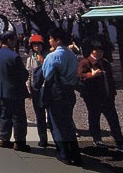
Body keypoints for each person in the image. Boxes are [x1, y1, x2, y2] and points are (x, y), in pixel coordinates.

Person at [78, 42, 123, 154]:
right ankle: (97, 139)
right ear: (91, 50)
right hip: (93, 97)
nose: (99, 53)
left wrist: (113, 93)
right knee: (94, 118)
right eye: (97, 50)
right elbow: (80, 76)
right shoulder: (85, 62)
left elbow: (110, 80)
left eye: (101, 51)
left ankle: (120, 142)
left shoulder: (105, 62)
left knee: (113, 119)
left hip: (107, 96)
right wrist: (91, 75)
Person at [42, 27, 82, 166]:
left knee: (57, 124)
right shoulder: (72, 55)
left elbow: (46, 75)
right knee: (68, 123)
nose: (49, 41)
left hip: (56, 93)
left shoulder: (53, 56)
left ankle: (64, 154)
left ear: (57, 40)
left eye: (51, 38)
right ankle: (75, 153)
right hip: (69, 92)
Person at [0, 31, 30, 152]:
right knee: (18, 117)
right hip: (15, 90)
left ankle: (4, 138)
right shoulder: (14, 56)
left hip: (2, 90)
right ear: (9, 40)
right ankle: (19, 142)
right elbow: (23, 74)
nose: (15, 42)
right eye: (14, 40)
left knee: (5, 115)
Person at [25, 34, 49, 148]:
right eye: (35, 44)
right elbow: (28, 74)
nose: (37, 47)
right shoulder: (30, 59)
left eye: (39, 44)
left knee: (50, 114)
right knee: (39, 115)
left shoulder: (48, 57)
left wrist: (43, 62)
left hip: (47, 88)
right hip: (36, 89)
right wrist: (28, 88)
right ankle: (43, 138)